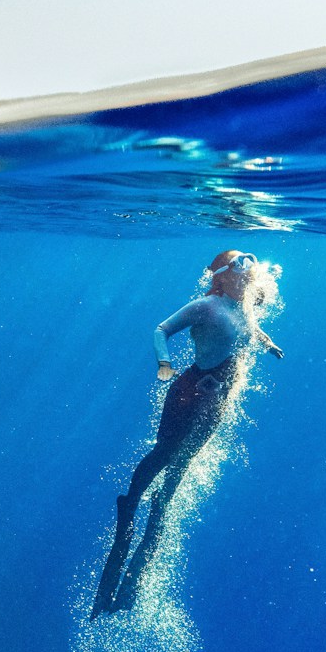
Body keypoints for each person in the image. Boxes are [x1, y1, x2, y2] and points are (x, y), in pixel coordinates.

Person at [90, 249, 283, 617]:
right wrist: (164, 361)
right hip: (191, 391)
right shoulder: (205, 306)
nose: (249, 273)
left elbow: (250, 328)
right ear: (222, 276)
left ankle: (155, 521)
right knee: (165, 452)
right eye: (241, 267)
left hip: (217, 402)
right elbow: (161, 329)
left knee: (183, 462)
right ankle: (131, 503)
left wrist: (267, 343)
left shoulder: (243, 310)